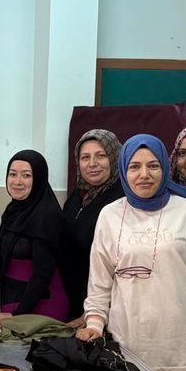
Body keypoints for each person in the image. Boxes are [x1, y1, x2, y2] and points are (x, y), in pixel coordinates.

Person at [77, 134, 186, 371]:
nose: (144, 174)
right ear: (124, 170)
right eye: (135, 167)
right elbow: (99, 283)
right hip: (129, 346)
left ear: (165, 168)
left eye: (153, 166)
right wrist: (94, 323)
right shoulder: (110, 215)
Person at [0, 150, 69, 319]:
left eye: (26, 175)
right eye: (13, 174)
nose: (17, 181)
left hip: (40, 307)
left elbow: (42, 273)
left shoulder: (46, 215)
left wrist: (17, 314)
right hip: (14, 302)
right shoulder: (13, 211)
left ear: (39, 179)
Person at [61, 129, 124, 318]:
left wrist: (97, 310)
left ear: (114, 157)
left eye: (101, 156)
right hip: (73, 301)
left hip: (105, 308)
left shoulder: (122, 200)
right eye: (85, 157)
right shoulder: (77, 197)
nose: (92, 164)